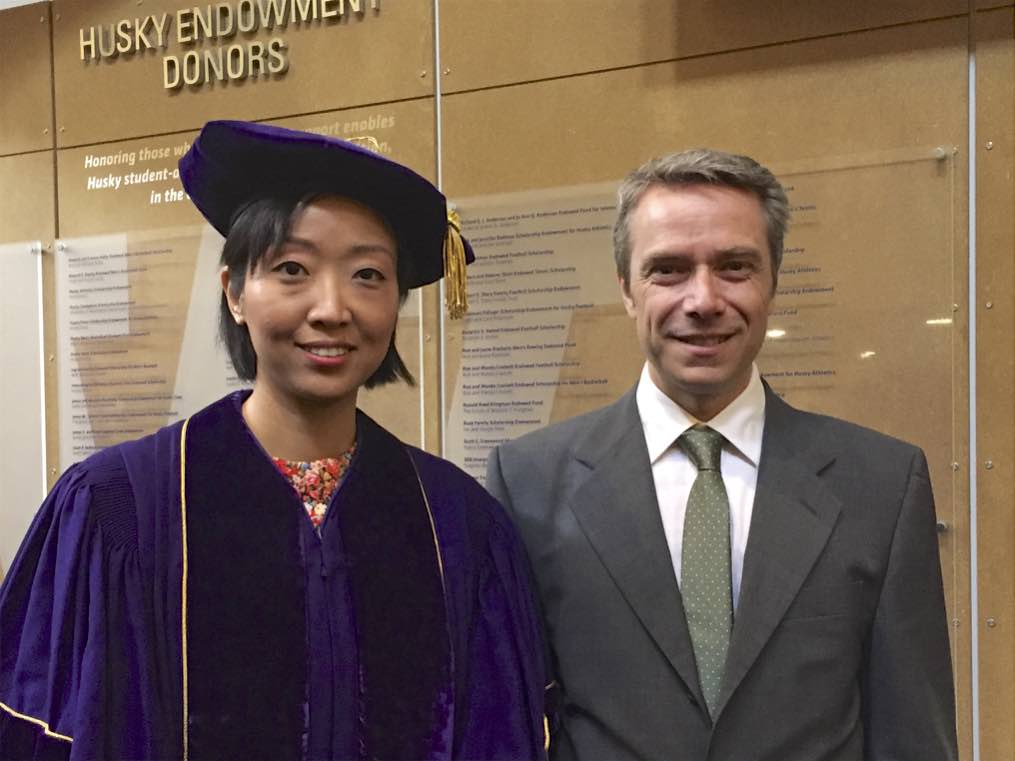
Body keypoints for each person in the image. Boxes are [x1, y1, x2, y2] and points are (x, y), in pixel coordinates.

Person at [0, 120, 548, 761]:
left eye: (368, 275)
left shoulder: (457, 523)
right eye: (293, 268)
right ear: (234, 291)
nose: (332, 308)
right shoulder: (118, 508)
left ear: (396, 301)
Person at [486, 149, 957, 760]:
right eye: (669, 270)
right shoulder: (529, 484)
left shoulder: (882, 486)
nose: (703, 299)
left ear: (773, 282)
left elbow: (912, 735)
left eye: (735, 266)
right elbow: (504, 723)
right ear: (627, 289)